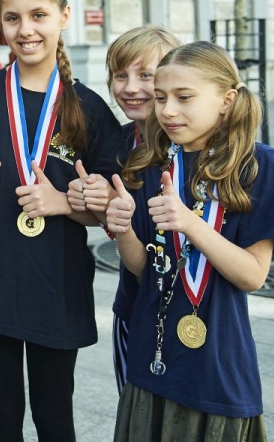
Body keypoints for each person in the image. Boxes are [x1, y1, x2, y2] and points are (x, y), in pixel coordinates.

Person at [0, 0, 123, 441]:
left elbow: (112, 207)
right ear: (0, 21)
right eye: (13, 18)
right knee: (1, 422)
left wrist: (66, 201)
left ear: (64, 16)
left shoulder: (88, 107)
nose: (25, 30)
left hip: (57, 284)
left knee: (55, 419)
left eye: (39, 15)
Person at [105, 41, 274, 441]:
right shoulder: (150, 164)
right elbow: (144, 269)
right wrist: (123, 229)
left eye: (184, 97)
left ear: (226, 100)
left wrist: (191, 223)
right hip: (153, 356)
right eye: (161, 98)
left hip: (217, 363)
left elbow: (253, 275)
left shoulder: (257, 165)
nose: (168, 111)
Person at [67, 24, 181, 394]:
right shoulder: (117, 142)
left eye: (145, 75)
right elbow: (113, 223)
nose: (130, 88)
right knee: (134, 410)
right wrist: (92, 200)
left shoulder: (193, 144)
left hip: (194, 308)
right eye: (120, 76)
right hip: (135, 306)